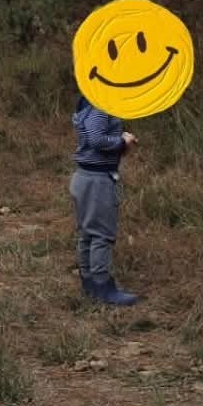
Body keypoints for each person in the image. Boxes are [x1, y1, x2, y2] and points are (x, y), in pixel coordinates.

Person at [70, 94, 140, 306]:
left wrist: (121, 145)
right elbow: (96, 139)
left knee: (88, 233)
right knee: (101, 234)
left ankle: (89, 281)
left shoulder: (88, 101)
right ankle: (103, 286)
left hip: (86, 177)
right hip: (97, 182)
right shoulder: (101, 104)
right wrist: (122, 141)